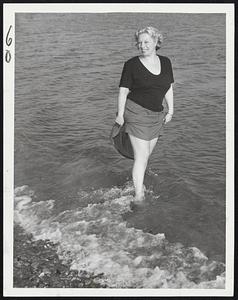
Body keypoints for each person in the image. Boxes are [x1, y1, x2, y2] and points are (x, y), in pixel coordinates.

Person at [115, 26, 174, 202]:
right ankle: (138, 196)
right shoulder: (131, 64)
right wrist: (120, 114)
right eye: (139, 42)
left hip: (157, 114)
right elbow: (123, 91)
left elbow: (169, 87)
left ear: (156, 42)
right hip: (135, 111)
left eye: (146, 41)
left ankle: (135, 182)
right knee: (141, 157)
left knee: (145, 155)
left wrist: (171, 109)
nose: (143, 45)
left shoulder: (166, 62)